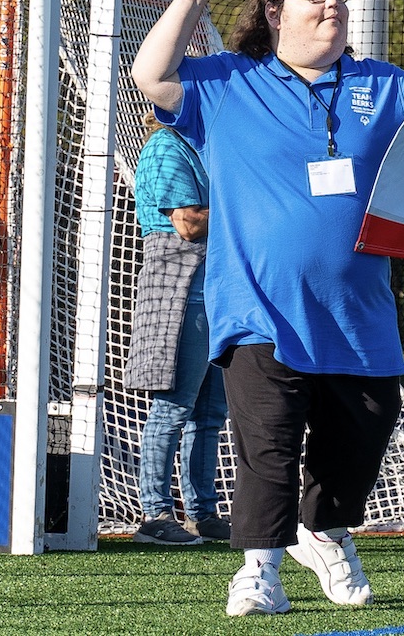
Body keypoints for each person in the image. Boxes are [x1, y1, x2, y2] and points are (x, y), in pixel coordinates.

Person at [132, 0, 404, 617]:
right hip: (259, 308)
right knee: (268, 445)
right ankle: (258, 572)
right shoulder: (228, 83)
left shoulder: (385, 86)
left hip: (359, 315)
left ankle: (328, 529)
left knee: (361, 440)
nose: (331, 2)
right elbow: (151, 74)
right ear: (274, 10)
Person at [125, 112, 228, 546]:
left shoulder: (203, 149)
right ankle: (155, 514)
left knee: (209, 415)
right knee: (173, 409)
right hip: (181, 293)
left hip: (217, 294)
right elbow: (188, 223)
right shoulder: (167, 148)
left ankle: (204, 514)